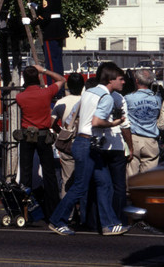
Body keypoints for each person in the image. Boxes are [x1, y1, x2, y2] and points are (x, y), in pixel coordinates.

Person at [48, 63, 129, 236]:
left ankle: (109, 224)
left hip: (84, 143)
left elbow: (73, 116)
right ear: (110, 80)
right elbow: (97, 122)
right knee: (80, 187)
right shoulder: (106, 97)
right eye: (120, 79)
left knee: (104, 183)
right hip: (88, 144)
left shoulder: (89, 93)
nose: (123, 82)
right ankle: (57, 220)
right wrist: (115, 123)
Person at [16, 65, 66, 219]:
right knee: (49, 173)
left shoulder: (20, 97)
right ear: (37, 78)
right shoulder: (46, 93)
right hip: (44, 136)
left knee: (25, 173)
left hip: (26, 136)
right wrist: (43, 70)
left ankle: (25, 210)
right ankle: (53, 211)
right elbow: (62, 79)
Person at [29, 0, 68, 89]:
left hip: (51, 30)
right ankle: (60, 87)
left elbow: (46, 16)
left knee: (51, 63)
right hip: (58, 29)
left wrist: (32, 22)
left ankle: (53, 88)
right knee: (58, 61)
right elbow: (50, 9)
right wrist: (37, 7)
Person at [52, 73, 85, 198]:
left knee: (67, 179)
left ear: (68, 86)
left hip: (68, 144)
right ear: (82, 85)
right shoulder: (87, 101)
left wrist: (61, 132)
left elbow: (52, 123)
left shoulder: (61, 102)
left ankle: (67, 213)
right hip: (84, 142)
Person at [125, 69, 162, 178]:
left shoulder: (128, 98)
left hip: (133, 139)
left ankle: (130, 194)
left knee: (131, 176)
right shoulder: (157, 99)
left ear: (136, 80)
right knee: (148, 178)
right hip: (151, 140)